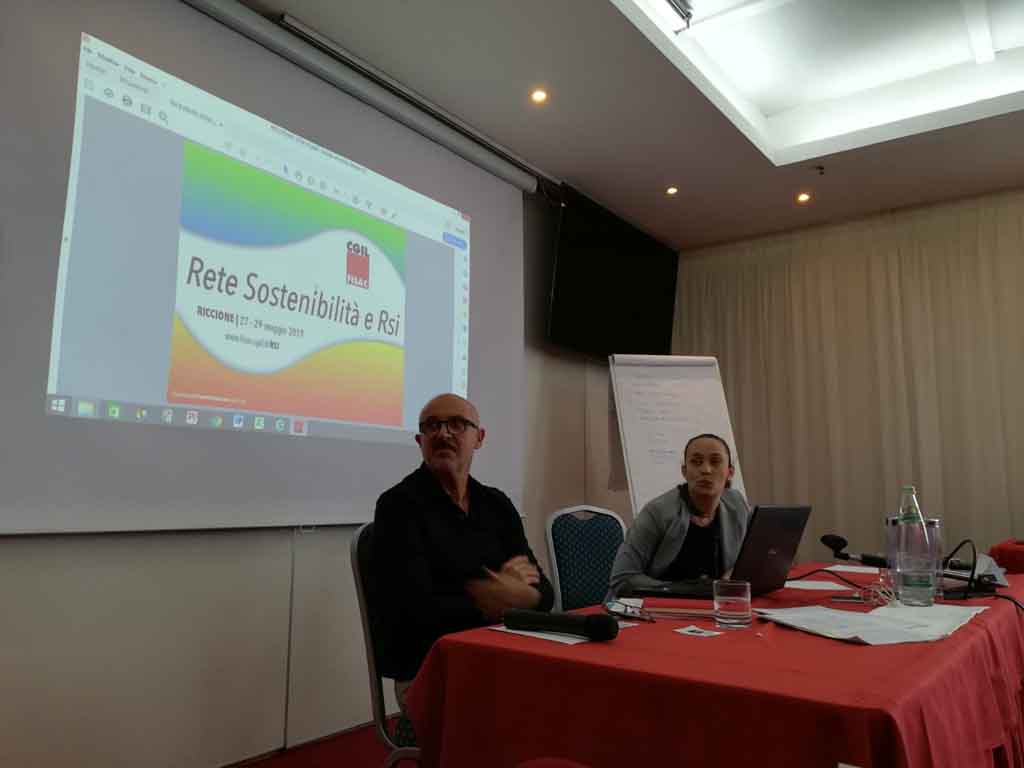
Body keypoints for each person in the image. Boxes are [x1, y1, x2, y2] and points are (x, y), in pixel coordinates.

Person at [373, 393, 554, 709]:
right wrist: (492, 597)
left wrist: (524, 596)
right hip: (432, 668)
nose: (443, 433)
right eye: (432, 426)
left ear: (479, 438)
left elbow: (543, 593)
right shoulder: (397, 506)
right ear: (419, 440)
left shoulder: (497, 505)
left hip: (504, 654)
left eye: (457, 424)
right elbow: (414, 613)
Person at [608, 433, 751, 597]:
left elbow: (751, 558)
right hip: (658, 605)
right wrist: (688, 590)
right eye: (696, 462)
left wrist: (733, 576)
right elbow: (622, 579)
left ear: (730, 472)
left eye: (715, 461)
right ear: (684, 471)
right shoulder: (658, 512)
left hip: (716, 605)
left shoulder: (737, 504)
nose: (706, 469)